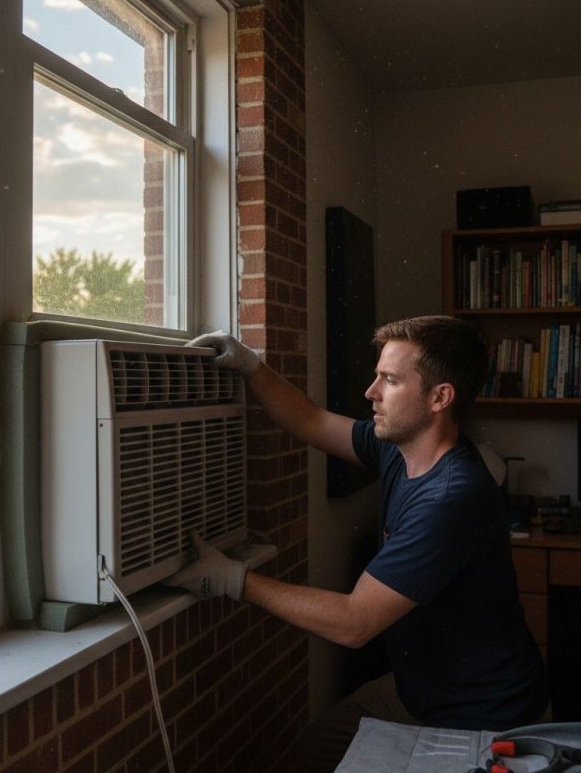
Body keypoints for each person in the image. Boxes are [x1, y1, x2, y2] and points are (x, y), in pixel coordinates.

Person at [167, 315, 549, 772]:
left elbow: (355, 622)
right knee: (314, 752)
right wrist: (252, 366)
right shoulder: (397, 447)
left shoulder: (450, 498)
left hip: (483, 717)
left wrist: (233, 579)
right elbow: (310, 420)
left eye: (389, 380)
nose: (371, 392)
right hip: (420, 690)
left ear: (439, 397)